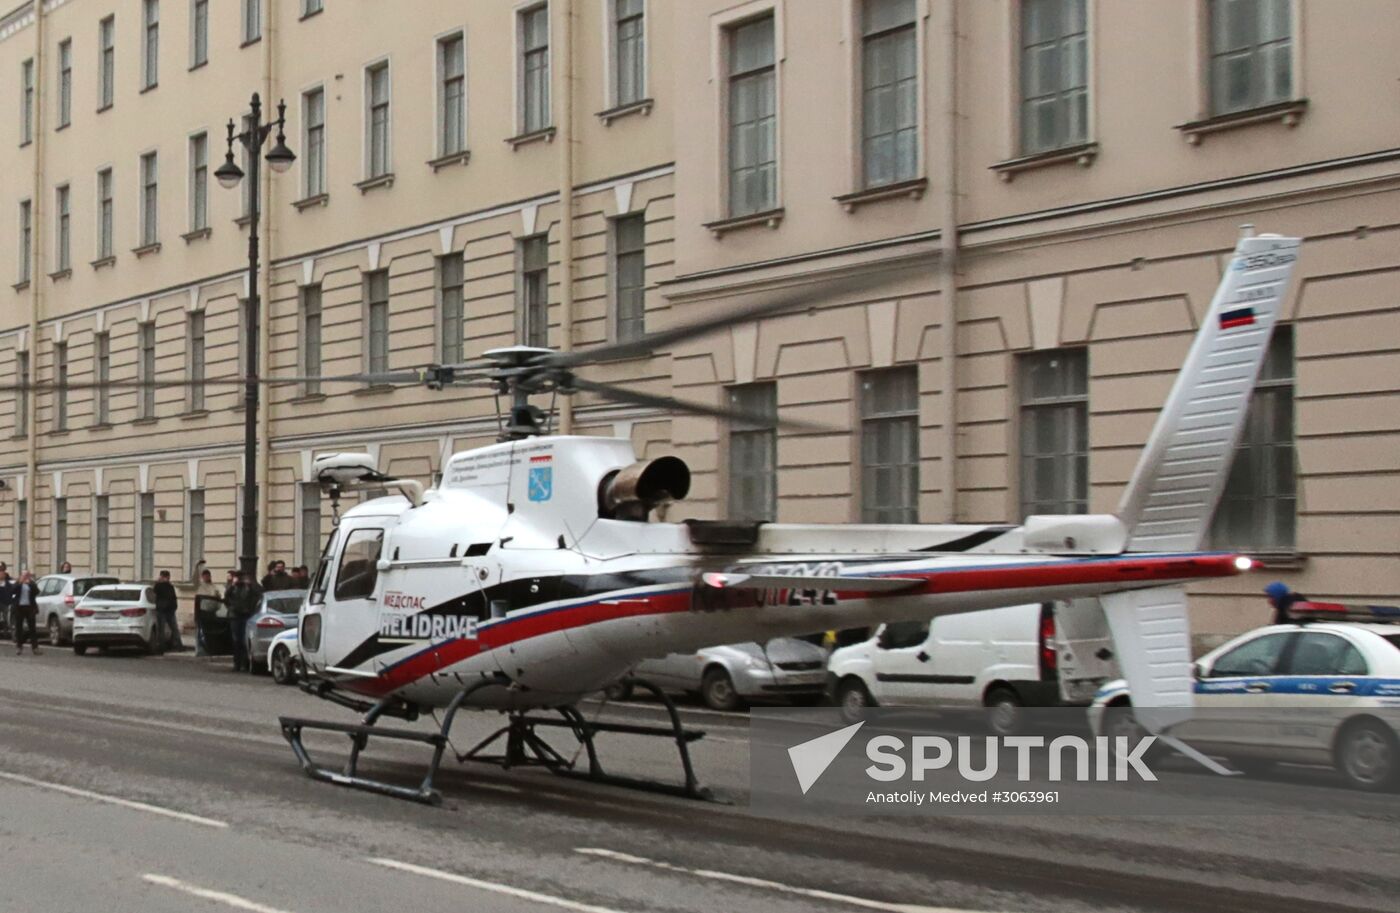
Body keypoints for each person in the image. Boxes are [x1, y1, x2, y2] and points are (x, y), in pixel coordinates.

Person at [225, 571, 263, 672]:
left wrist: (250, 585)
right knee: (236, 640)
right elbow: (226, 598)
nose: (240, 580)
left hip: (246, 616)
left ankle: (244, 663)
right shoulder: (233, 587)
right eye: (238, 578)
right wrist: (233, 585)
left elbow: (258, 595)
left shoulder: (249, 587)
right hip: (235, 616)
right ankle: (236, 663)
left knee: (244, 641)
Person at [193, 568, 223, 657]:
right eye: (204, 576)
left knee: (209, 632)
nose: (206, 578)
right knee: (200, 631)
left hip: (211, 613)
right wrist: (197, 566)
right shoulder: (200, 586)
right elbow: (194, 580)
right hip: (201, 612)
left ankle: (209, 649)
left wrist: (217, 608)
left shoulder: (214, 587)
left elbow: (218, 599)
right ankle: (200, 650)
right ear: (202, 577)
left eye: (207, 576)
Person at [152, 570, 182, 653]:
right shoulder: (163, 586)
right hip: (165, 610)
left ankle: (164, 647)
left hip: (165, 610)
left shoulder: (164, 586)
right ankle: (176, 645)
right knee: (169, 629)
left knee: (166, 629)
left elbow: (154, 594)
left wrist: (174, 607)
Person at [13, 571, 39, 655]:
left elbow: (37, 592)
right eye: (23, 575)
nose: (25, 577)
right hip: (19, 607)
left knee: (32, 628)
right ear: (20, 576)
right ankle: (19, 647)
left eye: (27, 575)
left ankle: (35, 647)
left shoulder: (31, 583)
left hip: (30, 607)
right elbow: (13, 591)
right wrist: (20, 583)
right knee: (19, 627)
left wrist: (30, 584)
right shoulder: (18, 583)